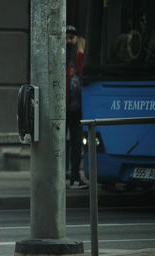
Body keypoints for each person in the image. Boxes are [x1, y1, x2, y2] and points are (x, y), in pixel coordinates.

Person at [66, 25, 88, 189]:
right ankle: (64, 174)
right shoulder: (62, 58)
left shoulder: (78, 60)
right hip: (63, 109)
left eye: (72, 36)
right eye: (67, 35)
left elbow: (81, 67)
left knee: (76, 143)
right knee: (62, 144)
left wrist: (78, 48)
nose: (70, 39)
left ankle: (74, 176)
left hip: (77, 109)